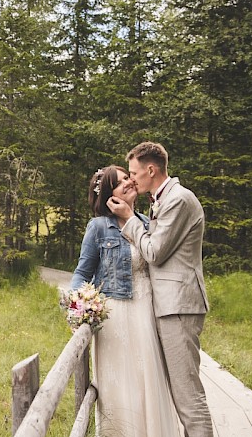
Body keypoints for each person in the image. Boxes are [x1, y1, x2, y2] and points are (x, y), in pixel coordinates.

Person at [107, 141, 213, 437]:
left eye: (133, 172)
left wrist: (128, 219)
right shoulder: (161, 199)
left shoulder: (178, 199)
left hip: (179, 305)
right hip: (170, 304)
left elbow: (155, 252)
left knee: (188, 395)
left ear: (150, 170)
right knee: (181, 394)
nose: (130, 179)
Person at [69, 165, 183, 437]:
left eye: (129, 178)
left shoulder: (146, 223)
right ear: (110, 194)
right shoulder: (98, 227)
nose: (130, 183)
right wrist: (77, 308)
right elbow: (82, 273)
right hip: (115, 317)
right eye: (122, 182)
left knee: (148, 381)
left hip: (146, 314)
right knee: (118, 386)